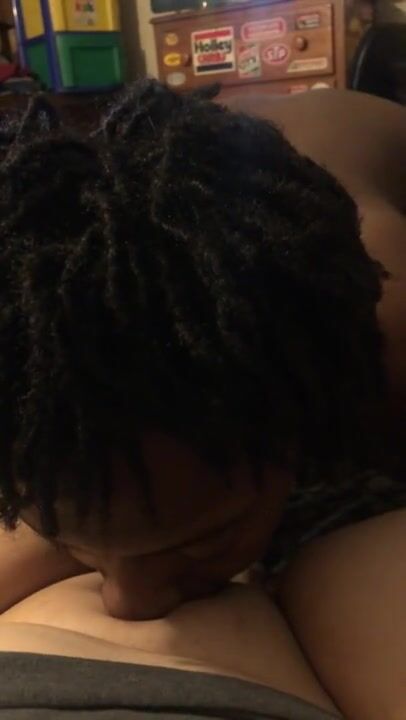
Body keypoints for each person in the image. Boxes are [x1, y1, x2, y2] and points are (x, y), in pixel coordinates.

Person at [0, 79, 389, 623]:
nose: (128, 605)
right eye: (68, 543)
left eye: (207, 541)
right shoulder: (39, 347)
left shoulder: (365, 350)